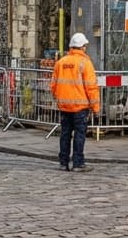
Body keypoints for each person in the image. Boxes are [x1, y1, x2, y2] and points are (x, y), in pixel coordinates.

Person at [50, 32, 101, 172]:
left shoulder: (60, 62)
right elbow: (91, 87)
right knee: (79, 135)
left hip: (64, 106)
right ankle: (78, 163)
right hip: (80, 107)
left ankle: (63, 162)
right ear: (83, 47)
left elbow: (53, 85)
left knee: (65, 134)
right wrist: (96, 108)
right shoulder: (85, 63)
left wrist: (59, 99)